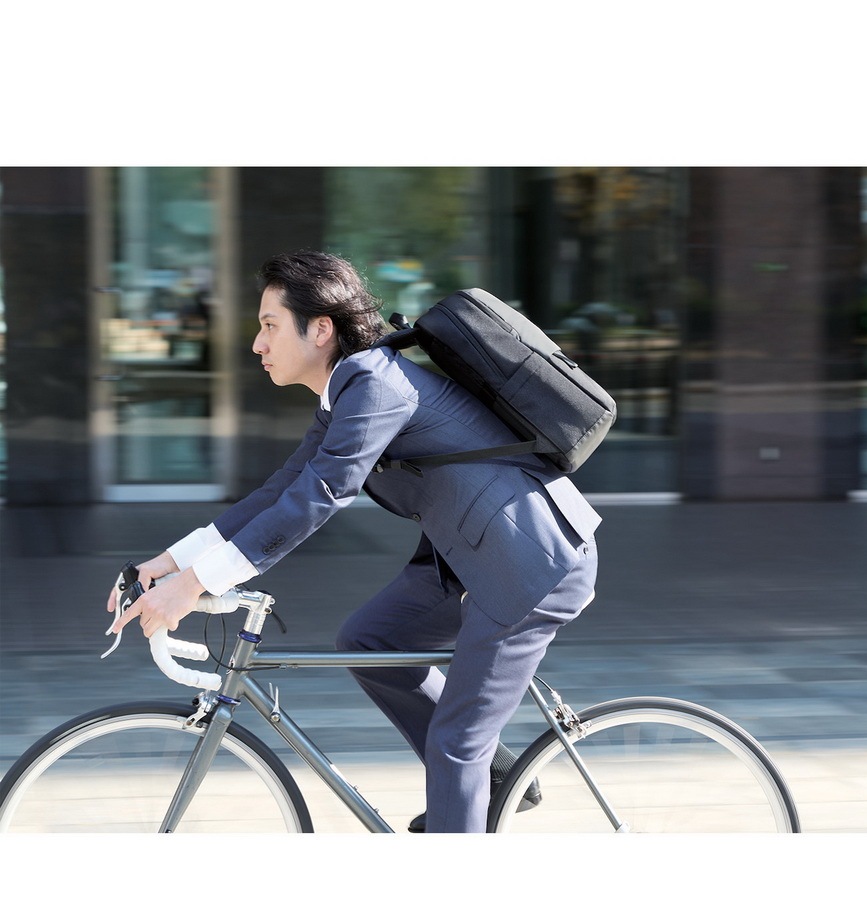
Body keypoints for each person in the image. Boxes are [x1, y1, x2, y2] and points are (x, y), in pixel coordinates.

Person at [108, 249, 601, 833]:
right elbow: (280, 491)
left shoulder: (374, 384)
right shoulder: (348, 389)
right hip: (469, 556)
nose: (257, 344)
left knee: (456, 743)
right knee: (370, 640)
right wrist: (167, 564)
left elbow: (318, 496)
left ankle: (463, 809)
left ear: (320, 329)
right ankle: (491, 782)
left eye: (269, 325)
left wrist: (193, 586)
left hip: (532, 565)